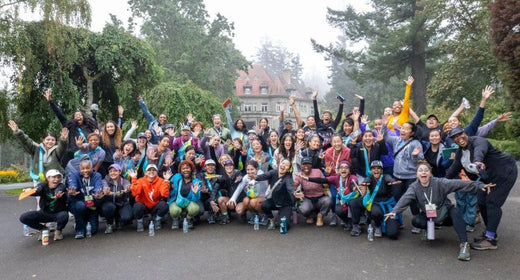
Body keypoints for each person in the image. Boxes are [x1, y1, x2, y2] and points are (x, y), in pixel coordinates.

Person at [385, 160, 495, 261]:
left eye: (426, 170)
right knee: (416, 221)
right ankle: (429, 228)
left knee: (456, 213)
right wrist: (395, 211)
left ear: (430, 173)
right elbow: (405, 199)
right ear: (417, 174)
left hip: (445, 212)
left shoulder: (440, 183)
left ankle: (464, 244)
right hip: (429, 214)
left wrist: (479, 185)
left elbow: (459, 184)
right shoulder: (414, 187)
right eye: (420, 171)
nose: (423, 173)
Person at [446, 127, 518, 250]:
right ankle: (490, 233)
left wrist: (478, 161)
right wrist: (437, 183)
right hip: (488, 178)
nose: (459, 138)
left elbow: (480, 150)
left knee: (492, 202)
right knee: (481, 201)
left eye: (460, 134)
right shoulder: (460, 153)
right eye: (455, 137)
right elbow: (452, 170)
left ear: (465, 133)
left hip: (504, 172)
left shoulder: (478, 141)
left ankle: (490, 240)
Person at [384, 121, 424, 233]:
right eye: (402, 128)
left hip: (411, 176)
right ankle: (398, 219)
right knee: (397, 197)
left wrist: (415, 156)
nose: (403, 130)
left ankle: (417, 221)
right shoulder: (397, 140)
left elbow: (421, 160)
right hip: (397, 175)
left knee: (412, 199)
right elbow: (386, 137)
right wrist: (384, 125)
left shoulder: (416, 144)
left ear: (411, 133)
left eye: (406, 129)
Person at [44, 88, 98, 167]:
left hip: (88, 153)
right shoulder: (70, 126)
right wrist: (50, 101)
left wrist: (94, 114)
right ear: (73, 118)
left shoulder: (88, 126)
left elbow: (95, 125)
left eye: (80, 115)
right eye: (76, 115)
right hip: (74, 153)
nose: (78, 116)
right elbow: (59, 114)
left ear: (83, 117)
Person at [350, 161, 401, 237]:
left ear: (381, 170)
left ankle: (393, 223)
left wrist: (392, 182)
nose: (376, 170)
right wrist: (364, 184)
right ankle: (377, 226)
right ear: (371, 170)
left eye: (378, 168)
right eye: (374, 168)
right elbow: (367, 181)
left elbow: (389, 179)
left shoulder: (385, 176)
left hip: (387, 204)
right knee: (374, 211)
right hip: (375, 203)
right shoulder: (370, 178)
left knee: (392, 234)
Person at [19, 169, 68, 241]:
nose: (56, 179)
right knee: (24, 217)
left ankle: (58, 231)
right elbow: (37, 190)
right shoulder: (42, 185)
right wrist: (29, 191)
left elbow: (60, 189)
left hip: (58, 213)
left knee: (64, 215)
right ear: (48, 178)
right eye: (54, 177)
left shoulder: (61, 186)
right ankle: (43, 229)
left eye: (58, 177)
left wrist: (57, 194)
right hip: (44, 213)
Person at [254, 159, 295, 231]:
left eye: (286, 165)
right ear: (279, 164)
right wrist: (255, 177)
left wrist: (294, 193)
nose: (283, 166)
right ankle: (272, 219)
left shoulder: (288, 178)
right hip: (275, 201)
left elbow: (290, 187)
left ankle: (286, 214)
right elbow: (264, 176)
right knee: (264, 205)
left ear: (288, 169)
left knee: (284, 225)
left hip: (285, 204)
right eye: (283, 163)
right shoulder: (273, 172)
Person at [67, 159, 103, 239]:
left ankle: (86, 221)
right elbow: (73, 184)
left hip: (92, 203)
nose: (85, 171)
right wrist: (73, 190)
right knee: (80, 206)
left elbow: (98, 186)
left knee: (93, 231)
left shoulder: (97, 175)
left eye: (87, 168)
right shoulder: (75, 175)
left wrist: (98, 193)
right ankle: (79, 229)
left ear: (92, 168)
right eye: (83, 169)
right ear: (80, 169)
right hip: (79, 202)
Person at [128, 164, 169, 232]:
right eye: (149, 170)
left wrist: (166, 181)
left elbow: (164, 194)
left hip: (155, 205)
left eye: (154, 170)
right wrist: (134, 178)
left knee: (164, 205)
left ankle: (157, 220)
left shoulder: (161, 181)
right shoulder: (141, 180)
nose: (151, 172)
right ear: (145, 172)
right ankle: (140, 222)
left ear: (157, 172)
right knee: (137, 206)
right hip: (144, 205)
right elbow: (135, 192)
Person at [227, 160, 269, 225]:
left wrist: (251, 183)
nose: (250, 172)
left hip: (263, 197)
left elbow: (257, 179)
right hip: (253, 197)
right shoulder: (246, 177)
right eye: (248, 170)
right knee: (245, 200)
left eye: (252, 169)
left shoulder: (261, 173)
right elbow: (239, 187)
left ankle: (264, 215)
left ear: (257, 169)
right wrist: (233, 199)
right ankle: (255, 214)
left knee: (253, 202)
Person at [294, 157, 332, 227]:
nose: (306, 166)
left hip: (320, 197)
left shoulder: (317, 171)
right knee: (303, 209)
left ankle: (320, 216)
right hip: (308, 198)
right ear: (301, 166)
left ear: (311, 165)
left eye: (308, 164)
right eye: (304, 164)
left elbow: (325, 184)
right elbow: (294, 186)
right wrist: (295, 192)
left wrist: (327, 175)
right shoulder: (299, 174)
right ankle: (310, 215)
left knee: (328, 200)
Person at [166, 160, 202, 230]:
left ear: (191, 169)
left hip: (188, 202)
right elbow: (168, 187)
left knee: (195, 209)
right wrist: (167, 181)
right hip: (176, 201)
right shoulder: (176, 177)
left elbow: (196, 199)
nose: (186, 170)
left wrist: (195, 193)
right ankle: (175, 219)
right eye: (183, 168)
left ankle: (189, 219)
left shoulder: (196, 182)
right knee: (174, 211)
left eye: (188, 168)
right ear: (180, 170)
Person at [99, 164, 132, 233]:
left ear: (120, 172)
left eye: (115, 171)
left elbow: (127, 185)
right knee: (108, 207)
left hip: (122, 203)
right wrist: (105, 190)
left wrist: (127, 188)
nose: (113, 173)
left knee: (127, 217)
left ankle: (118, 220)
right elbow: (104, 186)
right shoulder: (105, 180)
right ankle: (109, 224)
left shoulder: (124, 180)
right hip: (110, 203)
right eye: (110, 171)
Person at [209, 159, 243, 224]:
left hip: (240, 200)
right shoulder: (223, 177)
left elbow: (240, 177)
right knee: (220, 199)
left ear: (233, 166)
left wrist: (238, 179)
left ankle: (243, 214)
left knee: (239, 211)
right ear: (224, 168)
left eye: (230, 165)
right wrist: (212, 200)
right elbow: (215, 189)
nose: (229, 167)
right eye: (226, 166)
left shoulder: (238, 173)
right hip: (230, 200)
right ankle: (225, 216)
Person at [196, 159, 220, 224]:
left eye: (212, 166)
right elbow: (200, 183)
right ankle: (196, 216)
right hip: (200, 198)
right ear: (205, 167)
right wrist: (203, 188)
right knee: (200, 210)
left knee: (217, 199)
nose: (210, 167)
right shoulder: (200, 175)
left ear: (215, 167)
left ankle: (211, 215)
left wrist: (212, 200)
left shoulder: (216, 177)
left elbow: (215, 190)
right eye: (208, 165)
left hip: (209, 198)